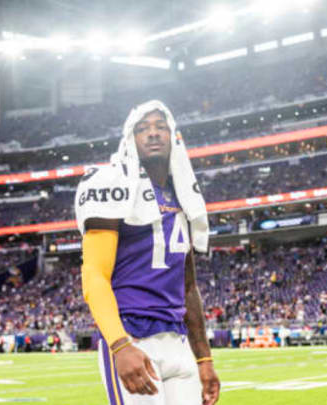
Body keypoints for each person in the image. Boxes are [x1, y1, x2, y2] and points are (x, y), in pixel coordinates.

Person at [76, 100, 220, 405]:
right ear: (130, 139)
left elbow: (188, 285)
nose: (153, 134)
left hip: (177, 340)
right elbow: (94, 275)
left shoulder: (182, 194)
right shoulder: (111, 185)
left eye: (160, 127)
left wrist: (204, 359)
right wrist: (119, 345)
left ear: (174, 136)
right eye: (143, 128)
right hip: (133, 336)